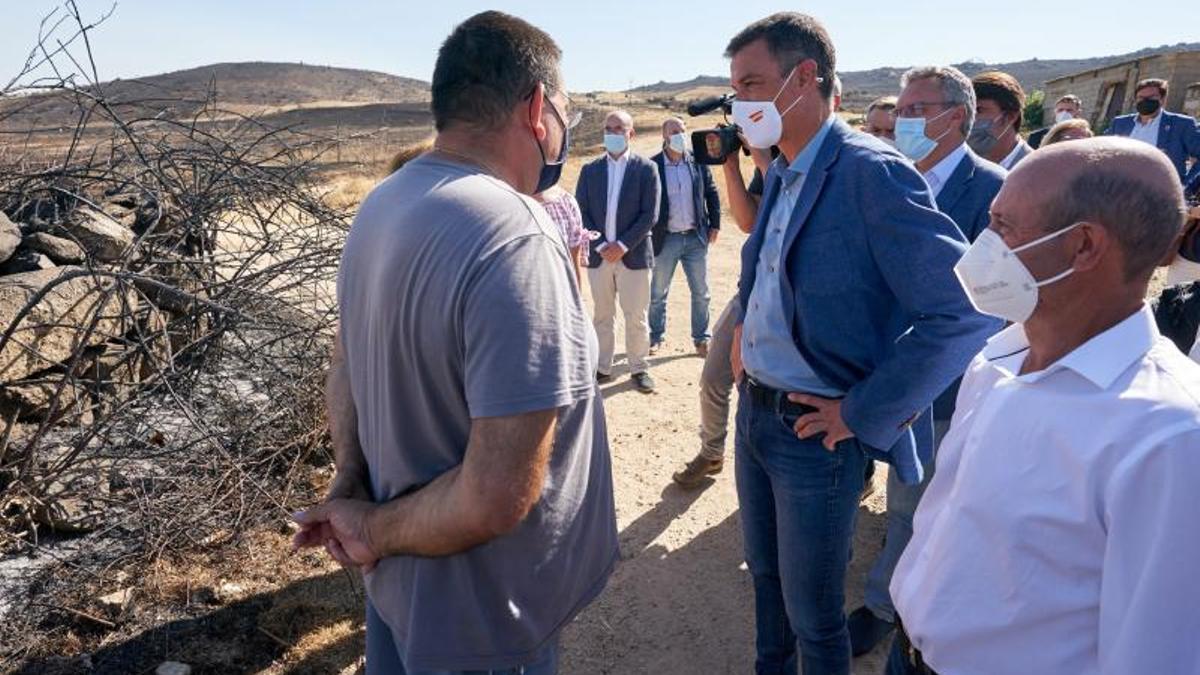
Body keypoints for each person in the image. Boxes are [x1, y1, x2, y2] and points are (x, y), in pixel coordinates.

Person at [292, 12, 618, 674]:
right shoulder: (517, 235)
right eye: (565, 112)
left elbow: (345, 365)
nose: (563, 131)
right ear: (537, 108)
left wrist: (353, 480)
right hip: (486, 621)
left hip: (400, 597)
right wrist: (370, 526)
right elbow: (498, 493)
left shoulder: (381, 206)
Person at [723, 13, 997, 674]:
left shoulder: (870, 172)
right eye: (736, 90)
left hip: (816, 433)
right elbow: (766, 272)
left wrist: (862, 410)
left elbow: (963, 311)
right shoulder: (786, 167)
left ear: (805, 77)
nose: (741, 104)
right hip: (756, 413)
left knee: (814, 613)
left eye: (753, 83)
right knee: (765, 578)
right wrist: (743, 340)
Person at [889, 137, 1200, 675]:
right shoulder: (999, 357)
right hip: (909, 655)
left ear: (1082, 246)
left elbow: (1154, 655)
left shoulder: (1169, 436)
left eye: (1003, 226)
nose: (983, 244)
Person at [849, 64, 1007, 657]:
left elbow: (991, 306)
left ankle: (884, 608)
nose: (903, 120)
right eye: (903, 109)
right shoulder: (884, 180)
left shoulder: (993, 191)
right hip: (868, 372)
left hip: (940, 384)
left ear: (956, 119)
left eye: (917, 110)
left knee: (911, 505)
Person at [576, 109, 661, 393]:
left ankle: (638, 368)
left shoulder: (646, 169)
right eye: (608, 128)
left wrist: (622, 246)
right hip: (600, 257)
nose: (613, 134)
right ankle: (602, 367)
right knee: (602, 314)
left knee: (636, 315)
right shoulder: (590, 171)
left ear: (630, 134)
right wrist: (602, 246)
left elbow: (649, 214)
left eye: (619, 129)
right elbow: (582, 212)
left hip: (633, 256)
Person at [649, 117, 721, 356]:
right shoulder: (653, 166)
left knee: (701, 292)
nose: (680, 134)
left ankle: (701, 339)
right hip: (666, 239)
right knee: (658, 293)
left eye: (682, 130)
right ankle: (655, 336)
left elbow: (711, 192)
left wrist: (715, 224)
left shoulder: (697, 161)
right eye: (674, 131)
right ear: (664, 136)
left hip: (695, 238)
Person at [1106, 78, 1200, 185]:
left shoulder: (1181, 124)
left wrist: (1187, 186)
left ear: (1163, 99)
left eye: (1151, 97)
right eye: (1141, 97)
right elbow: (1104, 152)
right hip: (1120, 188)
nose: (1145, 101)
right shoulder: (1120, 123)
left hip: (1160, 191)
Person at [970, 71, 1032, 169]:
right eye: (967, 110)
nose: (969, 118)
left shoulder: (1038, 170)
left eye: (978, 110)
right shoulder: (958, 166)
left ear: (1011, 116)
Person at [535, 185, 592, 282]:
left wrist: (576, 295)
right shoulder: (507, 202)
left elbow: (574, 258)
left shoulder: (565, 202)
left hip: (558, 287)